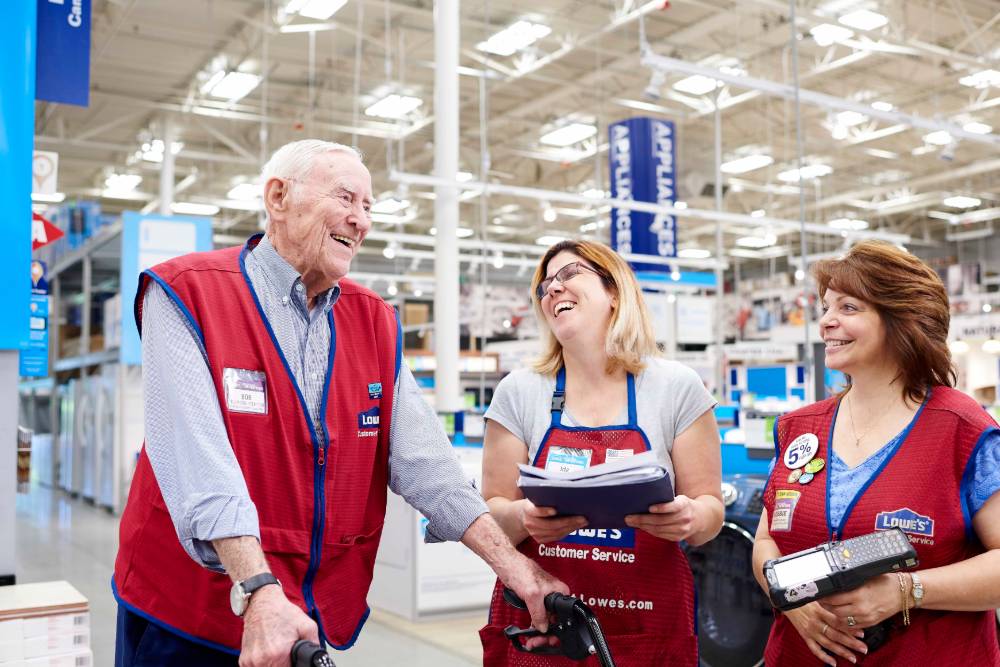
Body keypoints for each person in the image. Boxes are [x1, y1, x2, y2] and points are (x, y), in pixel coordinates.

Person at [112, 140, 567, 667]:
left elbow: (427, 465)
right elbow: (200, 464)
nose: (361, 221)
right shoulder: (186, 294)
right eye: (346, 198)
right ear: (278, 196)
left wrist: (513, 567)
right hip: (188, 611)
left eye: (369, 207)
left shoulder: (373, 320)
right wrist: (259, 590)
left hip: (303, 615)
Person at [752, 241, 1000, 666]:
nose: (826, 322)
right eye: (826, 308)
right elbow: (765, 541)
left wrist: (908, 590)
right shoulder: (798, 428)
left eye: (848, 308)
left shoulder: (962, 428)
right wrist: (795, 603)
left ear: (901, 319)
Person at [478, 240, 724, 665]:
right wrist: (521, 517)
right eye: (545, 285)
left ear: (614, 291)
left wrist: (690, 516)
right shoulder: (518, 392)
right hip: (545, 620)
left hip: (646, 622)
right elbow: (490, 509)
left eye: (569, 274)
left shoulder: (675, 387)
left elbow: (710, 512)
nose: (553, 289)